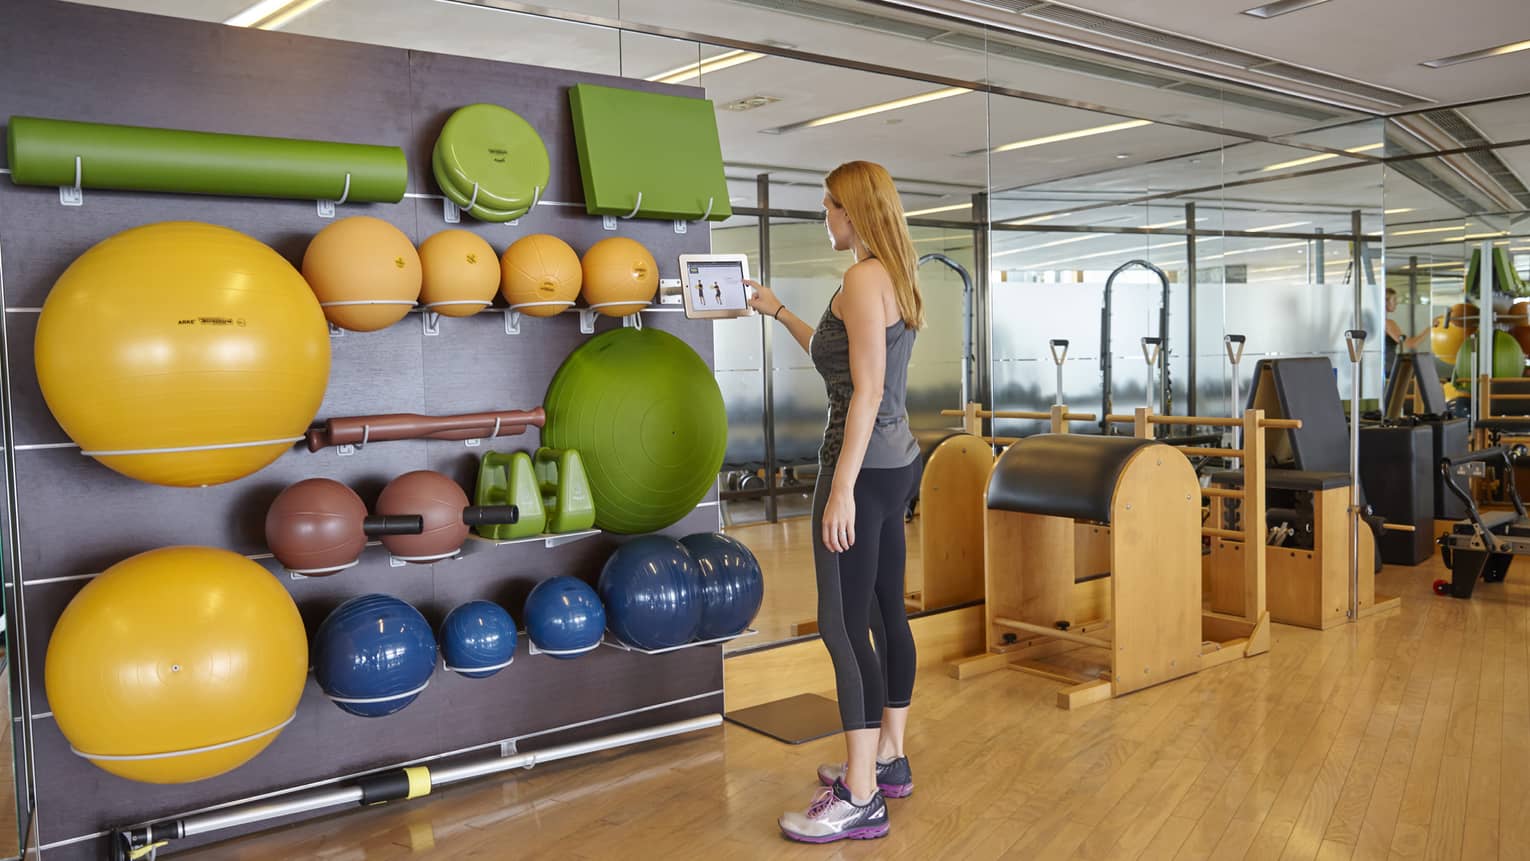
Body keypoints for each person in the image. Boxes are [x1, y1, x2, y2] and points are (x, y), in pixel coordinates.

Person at [745, 160, 924, 844]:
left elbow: (866, 393)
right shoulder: (896, 276)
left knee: (841, 626)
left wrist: (841, 486)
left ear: (854, 212)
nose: (826, 218)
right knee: (883, 612)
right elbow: (847, 366)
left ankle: (858, 795)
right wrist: (780, 310)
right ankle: (887, 756)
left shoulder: (859, 279)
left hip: (859, 468)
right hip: (897, 463)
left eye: (830, 208)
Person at [1385, 287, 1428, 376]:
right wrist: (1430, 329)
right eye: (1394, 299)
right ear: (1385, 302)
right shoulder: (1388, 323)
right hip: (1388, 370)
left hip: (1381, 368)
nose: (1397, 303)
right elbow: (1410, 344)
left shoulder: (1376, 320)